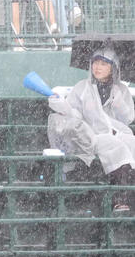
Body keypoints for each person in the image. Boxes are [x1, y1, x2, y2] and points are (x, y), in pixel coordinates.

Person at [46, 47, 135, 212]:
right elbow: (74, 115)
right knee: (115, 146)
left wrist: (119, 104)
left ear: (113, 67)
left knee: (131, 143)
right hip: (91, 136)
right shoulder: (82, 87)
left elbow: (128, 118)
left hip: (118, 133)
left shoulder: (121, 89)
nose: (97, 67)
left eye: (103, 64)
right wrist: (61, 104)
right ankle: (120, 200)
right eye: (95, 62)